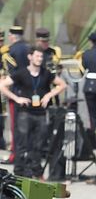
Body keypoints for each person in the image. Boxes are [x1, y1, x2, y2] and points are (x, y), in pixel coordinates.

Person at [4, 46, 64, 177]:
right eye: (37, 56)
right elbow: (2, 85)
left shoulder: (45, 73)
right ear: (30, 57)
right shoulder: (21, 73)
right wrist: (16, 98)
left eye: (41, 57)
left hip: (41, 113)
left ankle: (36, 171)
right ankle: (19, 172)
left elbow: (62, 84)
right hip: (25, 113)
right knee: (22, 144)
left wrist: (49, 95)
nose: (39, 59)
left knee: (39, 144)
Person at [79, 32, 96, 169]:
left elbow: (82, 70)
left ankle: (95, 140)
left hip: (90, 85)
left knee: (92, 115)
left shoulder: (86, 54)